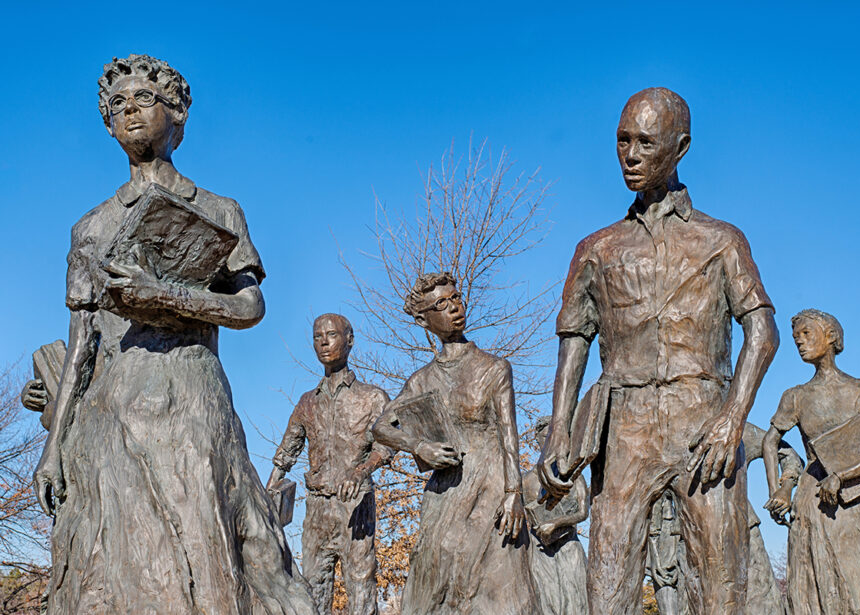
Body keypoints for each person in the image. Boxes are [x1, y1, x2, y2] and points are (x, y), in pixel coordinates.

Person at [31, 54, 317, 614]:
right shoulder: (89, 227)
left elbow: (250, 306)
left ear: (177, 113)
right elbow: (81, 344)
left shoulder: (217, 210)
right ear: (107, 124)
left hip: (191, 401)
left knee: (206, 548)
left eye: (143, 99)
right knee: (112, 562)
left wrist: (165, 296)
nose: (130, 111)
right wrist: (51, 449)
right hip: (109, 418)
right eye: (117, 105)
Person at [537, 87, 780, 614]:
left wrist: (733, 418)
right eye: (622, 140)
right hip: (624, 425)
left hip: (704, 423)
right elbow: (574, 339)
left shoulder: (722, 240)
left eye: (646, 142)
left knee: (721, 585)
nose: (630, 154)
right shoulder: (596, 249)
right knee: (608, 581)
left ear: (681, 147)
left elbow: (762, 330)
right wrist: (559, 428)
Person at [372, 272, 537, 615]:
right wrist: (419, 446)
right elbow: (381, 427)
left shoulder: (494, 368)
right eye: (442, 304)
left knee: (502, 594)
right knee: (433, 588)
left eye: (457, 298)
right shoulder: (421, 381)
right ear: (423, 319)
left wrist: (514, 494)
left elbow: (510, 436)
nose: (455, 308)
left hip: (492, 492)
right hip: (446, 497)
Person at [763, 309, 860, 615]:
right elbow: (769, 441)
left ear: (830, 337)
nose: (799, 343)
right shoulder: (795, 397)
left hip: (858, 500)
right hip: (813, 500)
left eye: (806, 334)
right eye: (795, 338)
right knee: (815, 589)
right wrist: (779, 491)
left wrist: (841, 475)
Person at [267, 313, 391, 615]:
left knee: (361, 588)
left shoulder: (372, 397)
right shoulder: (307, 401)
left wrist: (360, 471)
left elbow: (388, 445)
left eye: (331, 334)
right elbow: (287, 450)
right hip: (317, 509)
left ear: (349, 340)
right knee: (312, 590)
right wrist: (268, 492)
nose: (323, 342)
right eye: (316, 336)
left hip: (356, 506)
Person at [647, 422, 803, 615]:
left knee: (760, 606)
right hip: (687, 541)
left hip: (740, 534)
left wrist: (784, 488)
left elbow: (787, 453)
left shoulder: (730, 427)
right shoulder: (661, 433)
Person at [522, 416, 589, 615]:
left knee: (577, 603)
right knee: (544, 602)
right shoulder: (524, 480)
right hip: (538, 549)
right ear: (537, 439)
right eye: (546, 436)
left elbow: (583, 512)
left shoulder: (572, 474)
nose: (551, 441)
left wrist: (555, 523)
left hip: (568, 545)